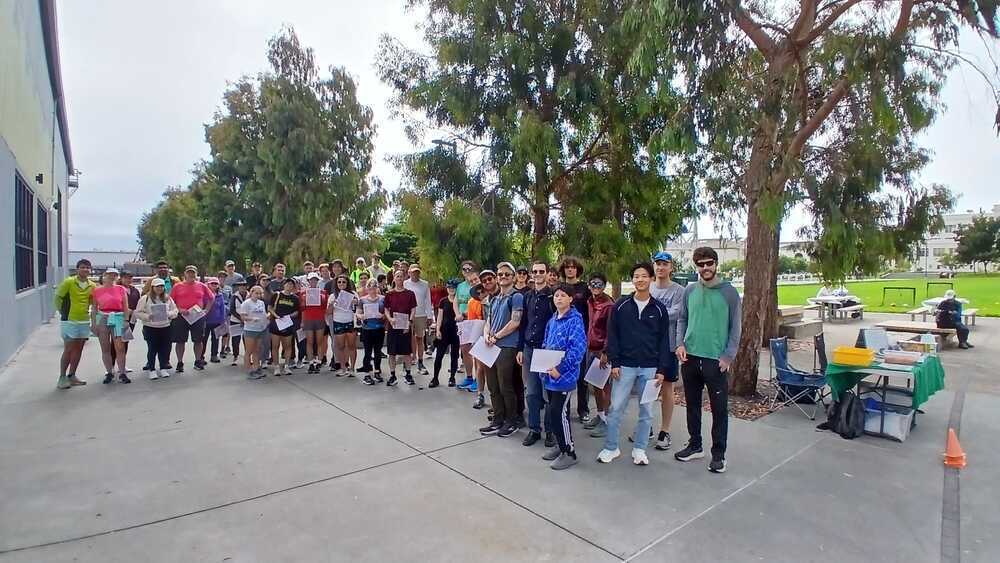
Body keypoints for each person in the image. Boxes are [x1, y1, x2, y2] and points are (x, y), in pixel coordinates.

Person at [597, 262, 673, 467]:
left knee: (646, 412)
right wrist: (615, 362)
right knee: (616, 409)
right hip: (625, 367)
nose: (640, 279)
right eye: (636, 276)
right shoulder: (620, 306)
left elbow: (664, 340)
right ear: (632, 280)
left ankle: (640, 449)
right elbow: (613, 335)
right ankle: (611, 447)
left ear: (651, 279)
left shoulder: (659, 309)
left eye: (644, 276)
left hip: (650, 368)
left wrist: (661, 369)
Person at [674, 247, 742, 474]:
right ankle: (695, 445)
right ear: (696, 267)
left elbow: (736, 327)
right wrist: (679, 344)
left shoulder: (729, 293)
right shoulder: (690, 290)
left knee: (719, 410)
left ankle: (719, 455)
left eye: (709, 263)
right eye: (701, 264)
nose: (705, 268)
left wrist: (728, 356)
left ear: (716, 264)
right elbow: (682, 319)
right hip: (691, 358)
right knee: (692, 405)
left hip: (716, 361)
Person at [539, 283, 588, 470]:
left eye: (562, 295)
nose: (558, 298)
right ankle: (560, 445)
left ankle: (569, 451)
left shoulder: (575, 321)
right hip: (549, 376)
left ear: (570, 299)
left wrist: (560, 368)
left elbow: (578, 349)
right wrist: (543, 363)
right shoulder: (552, 319)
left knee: (559, 413)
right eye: (556, 295)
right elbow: (546, 342)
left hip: (564, 377)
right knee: (554, 413)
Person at [478, 262, 524, 437]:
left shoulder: (516, 297)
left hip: (507, 346)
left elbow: (515, 322)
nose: (503, 277)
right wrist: (487, 335)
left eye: (507, 274)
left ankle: (511, 421)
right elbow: (488, 321)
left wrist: (496, 336)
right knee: (493, 386)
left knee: (506, 386)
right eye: (500, 274)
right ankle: (498, 419)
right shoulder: (495, 299)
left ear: (513, 277)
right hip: (491, 346)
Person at [518, 260, 557, 448]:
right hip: (529, 349)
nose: (538, 274)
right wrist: (520, 348)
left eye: (541, 271)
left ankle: (550, 431)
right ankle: (534, 429)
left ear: (547, 273)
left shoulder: (553, 296)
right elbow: (523, 323)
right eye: (535, 271)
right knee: (532, 392)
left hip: (546, 350)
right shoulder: (527, 296)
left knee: (548, 393)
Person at [649, 251, 684, 450]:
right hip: (648, 347)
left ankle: (665, 431)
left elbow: (676, 314)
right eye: (658, 263)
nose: (661, 267)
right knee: (647, 387)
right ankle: (646, 427)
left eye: (665, 264)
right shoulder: (648, 287)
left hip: (668, 347)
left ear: (671, 267)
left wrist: (652, 313)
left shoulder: (679, 291)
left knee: (667, 388)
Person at [55, 259, 97, 389]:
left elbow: (93, 303)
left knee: (79, 349)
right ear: (77, 269)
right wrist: (63, 313)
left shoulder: (92, 285)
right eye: (82, 267)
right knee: (68, 349)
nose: (85, 269)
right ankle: (62, 377)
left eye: (87, 267)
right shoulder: (68, 282)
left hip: (84, 320)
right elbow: (58, 298)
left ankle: (72, 375)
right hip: (70, 320)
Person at [559, 256, 591, 423]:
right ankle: (564, 409)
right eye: (567, 267)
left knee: (581, 376)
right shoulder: (559, 288)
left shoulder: (585, 288)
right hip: (562, 336)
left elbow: (591, 311)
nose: (570, 269)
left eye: (573, 267)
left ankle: (583, 409)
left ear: (577, 270)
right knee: (563, 373)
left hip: (579, 337)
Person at [583, 273, 614, 439]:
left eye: (599, 284)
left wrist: (606, 352)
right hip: (591, 348)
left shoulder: (609, 305)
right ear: (589, 286)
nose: (596, 287)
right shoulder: (590, 301)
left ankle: (607, 420)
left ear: (604, 285)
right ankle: (600, 415)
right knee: (595, 385)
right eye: (593, 284)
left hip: (602, 351)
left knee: (605, 387)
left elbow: (611, 330)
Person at [171, 265, 214, 373]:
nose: (191, 274)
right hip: (181, 317)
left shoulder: (202, 286)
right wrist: (179, 309)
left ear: (196, 274)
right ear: (185, 274)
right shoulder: (177, 286)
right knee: (180, 341)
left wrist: (206, 310)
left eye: (193, 273)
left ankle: (198, 361)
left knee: (198, 340)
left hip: (197, 316)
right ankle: (180, 362)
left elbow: (211, 298)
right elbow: (170, 302)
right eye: (189, 272)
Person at [92, 268, 131, 384]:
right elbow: (94, 308)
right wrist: (94, 323)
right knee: (105, 347)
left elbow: (125, 306)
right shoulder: (97, 290)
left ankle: (122, 372)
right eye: (110, 274)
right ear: (105, 275)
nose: (112, 277)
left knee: (120, 347)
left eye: (114, 275)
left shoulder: (120, 289)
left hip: (118, 317)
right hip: (103, 317)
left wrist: (126, 320)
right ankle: (109, 372)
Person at [134, 277, 178, 379]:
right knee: (152, 349)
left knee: (164, 349)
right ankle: (152, 369)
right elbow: (138, 312)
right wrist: (147, 316)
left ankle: (163, 368)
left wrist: (169, 314)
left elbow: (175, 310)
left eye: (162, 286)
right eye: (157, 286)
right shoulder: (145, 298)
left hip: (165, 327)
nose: (160, 288)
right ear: (152, 287)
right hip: (151, 327)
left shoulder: (167, 298)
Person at [384, 270, 417, 386]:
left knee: (407, 352)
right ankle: (393, 375)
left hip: (405, 326)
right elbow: (386, 309)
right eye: (397, 276)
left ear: (404, 278)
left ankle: (408, 374)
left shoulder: (410, 294)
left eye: (401, 276)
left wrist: (410, 322)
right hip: (393, 326)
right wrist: (390, 319)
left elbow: (413, 309)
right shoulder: (389, 294)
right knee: (392, 353)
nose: (399, 278)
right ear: (394, 278)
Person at [294, 272, 328, 373]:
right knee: (309, 341)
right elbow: (302, 308)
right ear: (308, 281)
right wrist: (302, 321)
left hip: (320, 319)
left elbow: (325, 307)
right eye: (311, 280)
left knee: (320, 341)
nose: (313, 281)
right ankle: (311, 362)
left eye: (315, 280)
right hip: (308, 319)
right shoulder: (303, 293)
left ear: (318, 281)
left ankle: (319, 362)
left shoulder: (323, 292)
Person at [404, 264, 434, 375]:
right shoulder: (405, 283)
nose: (415, 274)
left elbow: (428, 300)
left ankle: (420, 361)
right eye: (413, 272)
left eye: (417, 272)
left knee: (420, 338)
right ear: (409, 273)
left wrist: (429, 316)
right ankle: (411, 358)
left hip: (421, 314)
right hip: (408, 315)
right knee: (409, 338)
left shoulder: (424, 284)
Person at [432, 279, 462, 388]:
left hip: (456, 331)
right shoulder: (443, 301)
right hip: (444, 331)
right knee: (439, 355)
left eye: (453, 287)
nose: (451, 289)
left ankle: (452, 377)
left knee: (454, 356)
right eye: (449, 287)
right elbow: (439, 317)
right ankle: (435, 378)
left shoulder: (460, 301)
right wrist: (438, 329)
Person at [327, 274, 359, 376]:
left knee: (351, 346)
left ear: (347, 283)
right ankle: (343, 368)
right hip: (338, 322)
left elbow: (359, 307)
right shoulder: (333, 296)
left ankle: (352, 368)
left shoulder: (353, 293)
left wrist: (355, 302)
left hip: (350, 322)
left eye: (344, 282)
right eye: (339, 282)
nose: (341, 284)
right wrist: (332, 304)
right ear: (336, 284)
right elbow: (328, 312)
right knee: (340, 346)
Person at [268, 278, 301, 376]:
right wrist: (276, 315)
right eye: (287, 284)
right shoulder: (276, 295)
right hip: (276, 323)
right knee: (275, 346)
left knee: (288, 346)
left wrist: (289, 316)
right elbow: (269, 307)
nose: (289, 286)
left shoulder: (295, 298)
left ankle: (286, 366)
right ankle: (276, 366)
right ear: (284, 285)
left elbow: (297, 311)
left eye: (291, 284)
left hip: (288, 324)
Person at [455, 260, 479, 390]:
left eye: (469, 268)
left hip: (475, 321)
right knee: (465, 349)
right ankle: (469, 377)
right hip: (462, 322)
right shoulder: (460, 286)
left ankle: (478, 379)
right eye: (464, 269)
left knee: (476, 351)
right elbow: (456, 301)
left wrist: (464, 314)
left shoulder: (478, 285)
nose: (467, 271)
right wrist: (457, 314)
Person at [358, 279, 387, 384]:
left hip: (379, 328)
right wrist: (362, 316)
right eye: (370, 288)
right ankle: (367, 373)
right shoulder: (362, 300)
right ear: (367, 289)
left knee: (378, 351)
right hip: (367, 329)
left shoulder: (383, 299)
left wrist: (383, 316)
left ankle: (377, 371)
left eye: (374, 287)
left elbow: (387, 312)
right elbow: (358, 313)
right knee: (368, 351)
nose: (372, 290)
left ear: (377, 288)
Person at [112, 271, 141, 373]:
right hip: (118, 318)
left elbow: (138, 303)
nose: (128, 280)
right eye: (126, 278)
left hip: (131, 319)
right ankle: (111, 366)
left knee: (125, 341)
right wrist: (124, 309)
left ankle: (122, 365)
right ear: (121, 278)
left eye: (130, 277)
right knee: (115, 343)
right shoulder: (116, 289)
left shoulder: (135, 290)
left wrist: (135, 312)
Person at [238, 285, 270, 379]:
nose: (258, 295)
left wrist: (267, 316)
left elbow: (263, 314)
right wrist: (251, 319)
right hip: (250, 329)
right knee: (249, 350)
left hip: (260, 328)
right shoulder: (246, 303)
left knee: (257, 350)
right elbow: (243, 317)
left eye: (260, 293)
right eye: (256, 293)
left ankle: (256, 368)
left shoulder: (261, 303)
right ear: (251, 293)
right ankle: (248, 370)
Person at [203, 277, 228, 364]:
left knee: (215, 339)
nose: (214, 285)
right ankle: (201, 357)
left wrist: (223, 320)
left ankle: (214, 355)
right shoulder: (204, 294)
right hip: (205, 321)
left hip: (216, 321)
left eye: (216, 283)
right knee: (204, 339)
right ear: (208, 284)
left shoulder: (220, 296)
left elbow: (222, 308)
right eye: (212, 283)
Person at [228, 280, 248, 367]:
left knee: (247, 340)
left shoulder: (250, 296)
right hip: (235, 320)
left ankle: (248, 357)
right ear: (238, 287)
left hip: (248, 321)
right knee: (235, 340)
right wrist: (241, 319)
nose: (242, 287)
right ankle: (235, 357)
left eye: (244, 286)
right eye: (240, 286)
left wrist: (245, 319)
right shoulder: (234, 296)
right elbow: (232, 310)